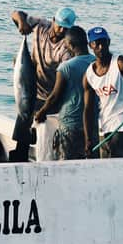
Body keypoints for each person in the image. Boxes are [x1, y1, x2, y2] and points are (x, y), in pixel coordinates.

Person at [9, 7, 76, 161]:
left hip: (52, 93)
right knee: (24, 117)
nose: (60, 30)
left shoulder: (66, 48)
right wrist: (21, 24)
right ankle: (20, 155)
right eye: (58, 25)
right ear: (53, 20)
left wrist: (45, 109)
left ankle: (39, 148)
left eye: (65, 29)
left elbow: (62, 82)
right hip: (31, 83)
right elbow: (16, 14)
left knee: (43, 126)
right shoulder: (41, 25)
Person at [83, 27, 123, 158]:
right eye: (97, 43)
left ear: (109, 42)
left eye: (104, 42)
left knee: (118, 158)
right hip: (104, 124)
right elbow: (88, 110)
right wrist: (88, 139)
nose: (101, 47)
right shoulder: (89, 74)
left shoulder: (120, 63)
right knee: (106, 163)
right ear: (90, 45)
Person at [34, 26, 95, 159]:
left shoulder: (66, 67)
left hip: (70, 123)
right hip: (91, 124)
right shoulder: (96, 63)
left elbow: (54, 96)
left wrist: (41, 112)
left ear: (70, 45)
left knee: (67, 161)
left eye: (65, 43)